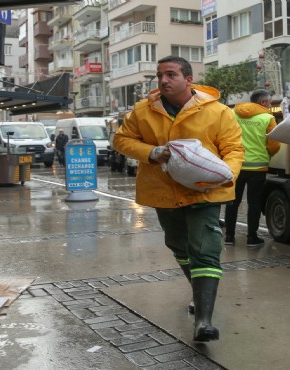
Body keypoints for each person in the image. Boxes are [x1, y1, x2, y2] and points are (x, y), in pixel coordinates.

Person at [113, 56, 244, 342]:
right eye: (160, 75)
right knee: (179, 245)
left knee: (205, 248)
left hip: (205, 192)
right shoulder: (141, 111)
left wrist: (227, 174)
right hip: (163, 192)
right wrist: (152, 152)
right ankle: (199, 294)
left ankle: (204, 321)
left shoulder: (219, 112)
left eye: (171, 74)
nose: (163, 81)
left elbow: (234, 149)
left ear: (188, 78)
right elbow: (121, 140)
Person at [224, 90, 280, 247]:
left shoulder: (233, 113)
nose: (270, 106)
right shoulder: (268, 118)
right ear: (263, 103)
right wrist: (268, 155)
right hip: (258, 168)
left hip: (236, 165)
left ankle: (229, 236)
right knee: (254, 203)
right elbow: (274, 144)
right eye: (269, 102)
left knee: (232, 202)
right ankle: (251, 238)